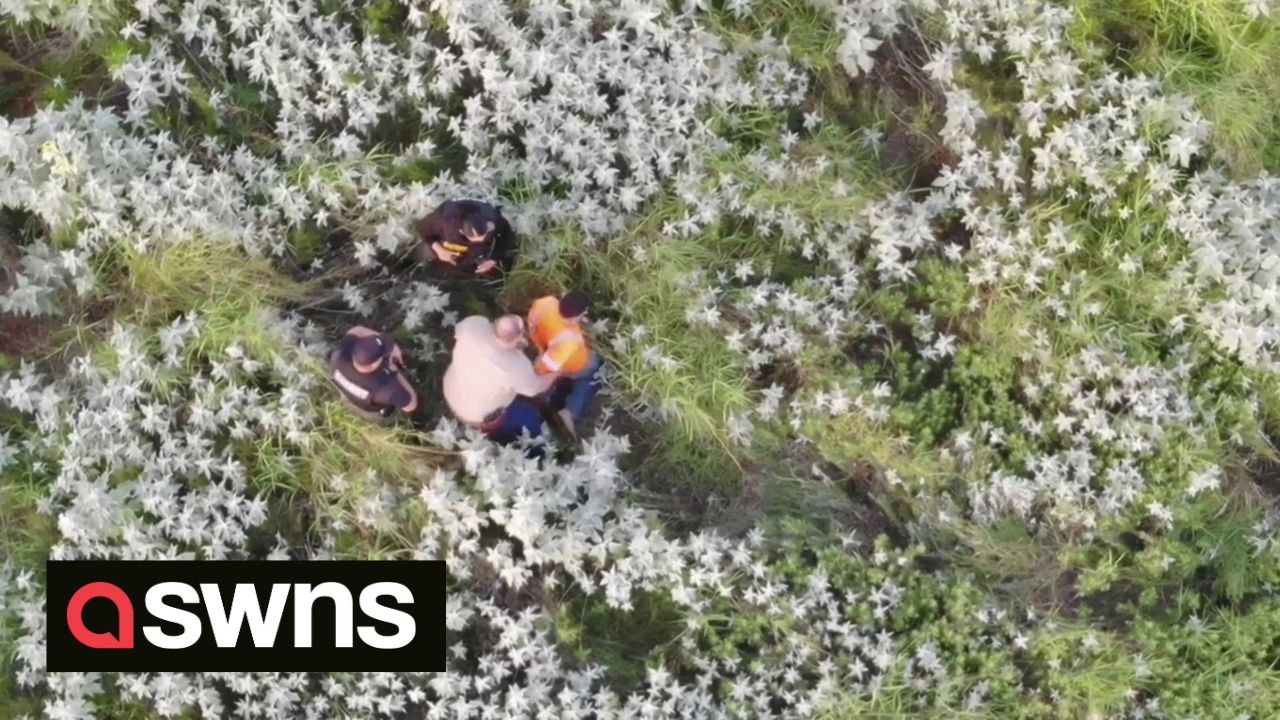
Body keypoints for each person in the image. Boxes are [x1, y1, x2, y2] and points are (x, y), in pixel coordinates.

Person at [442, 314, 560, 445]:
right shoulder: (517, 367)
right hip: (475, 417)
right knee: (531, 418)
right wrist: (558, 372)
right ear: (517, 339)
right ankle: (535, 443)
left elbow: (459, 329)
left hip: (452, 391)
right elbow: (536, 388)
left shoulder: (473, 326)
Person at [527, 290, 601, 440]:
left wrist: (541, 349)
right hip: (572, 365)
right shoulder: (569, 339)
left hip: (544, 347)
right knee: (593, 369)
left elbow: (532, 324)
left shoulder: (546, 302)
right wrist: (543, 372)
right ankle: (570, 412)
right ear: (575, 318)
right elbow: (547, 366)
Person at [329, 326, 420, 424]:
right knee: (389, 416)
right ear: (373, 365)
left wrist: (391, 345)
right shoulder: (387, 388)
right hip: (370, 412)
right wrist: (395, 371)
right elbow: (411, 405)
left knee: (348, 399)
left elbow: (357, 330)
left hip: (347, 395)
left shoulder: (340, 356)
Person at [415, 199, 516, 276]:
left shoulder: (493, 219)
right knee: (427, 256)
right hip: (447, 242)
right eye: (475, 239)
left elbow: (506, 232)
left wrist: (494, 258)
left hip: (474, 251)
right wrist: (439, 250)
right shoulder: (442, 222)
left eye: (483, 237)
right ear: (461, 231)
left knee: (490, 264)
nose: (481, 240)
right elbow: (421, 228)